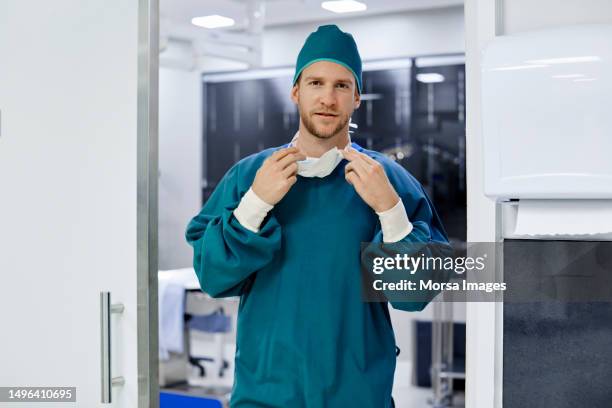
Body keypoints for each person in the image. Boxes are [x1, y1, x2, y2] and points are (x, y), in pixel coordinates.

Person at [186, 24, 449, 408]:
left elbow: (415, 296)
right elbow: (212, 276)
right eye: (315, 83)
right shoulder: (250, 176)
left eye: (342, 85)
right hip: (265, 394)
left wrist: (390, 212)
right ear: (296, 90)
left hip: (357, 395)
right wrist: (256, 202)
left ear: (357, 97)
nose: (328, 98)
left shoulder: (388, 180)